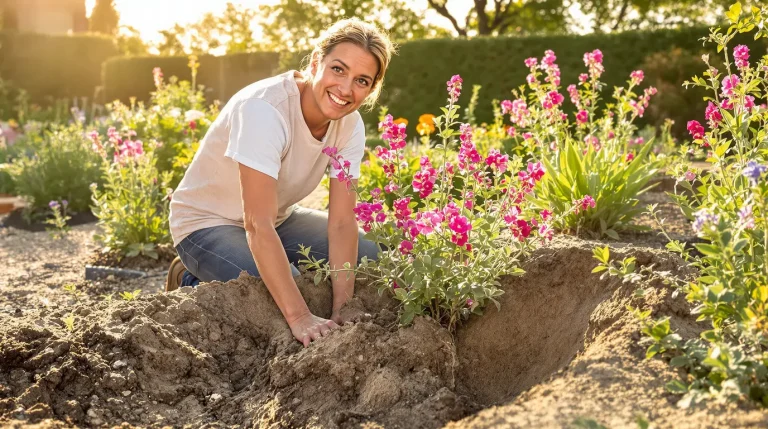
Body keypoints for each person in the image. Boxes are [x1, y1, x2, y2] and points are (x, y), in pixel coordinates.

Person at [164, 18, 396, 347]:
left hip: (279, 219)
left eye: (361, 80)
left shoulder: (350, 126)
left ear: (371, 89)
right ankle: (191, 279)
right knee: (289, 292)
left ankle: (260, 273)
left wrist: (345, 305)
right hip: (206, 224)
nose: (346, 89)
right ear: (316, 62)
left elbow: (343, 222)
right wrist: (300, 317)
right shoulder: (264, 110)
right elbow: (256, 223)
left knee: (374, 259)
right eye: (338, 69)